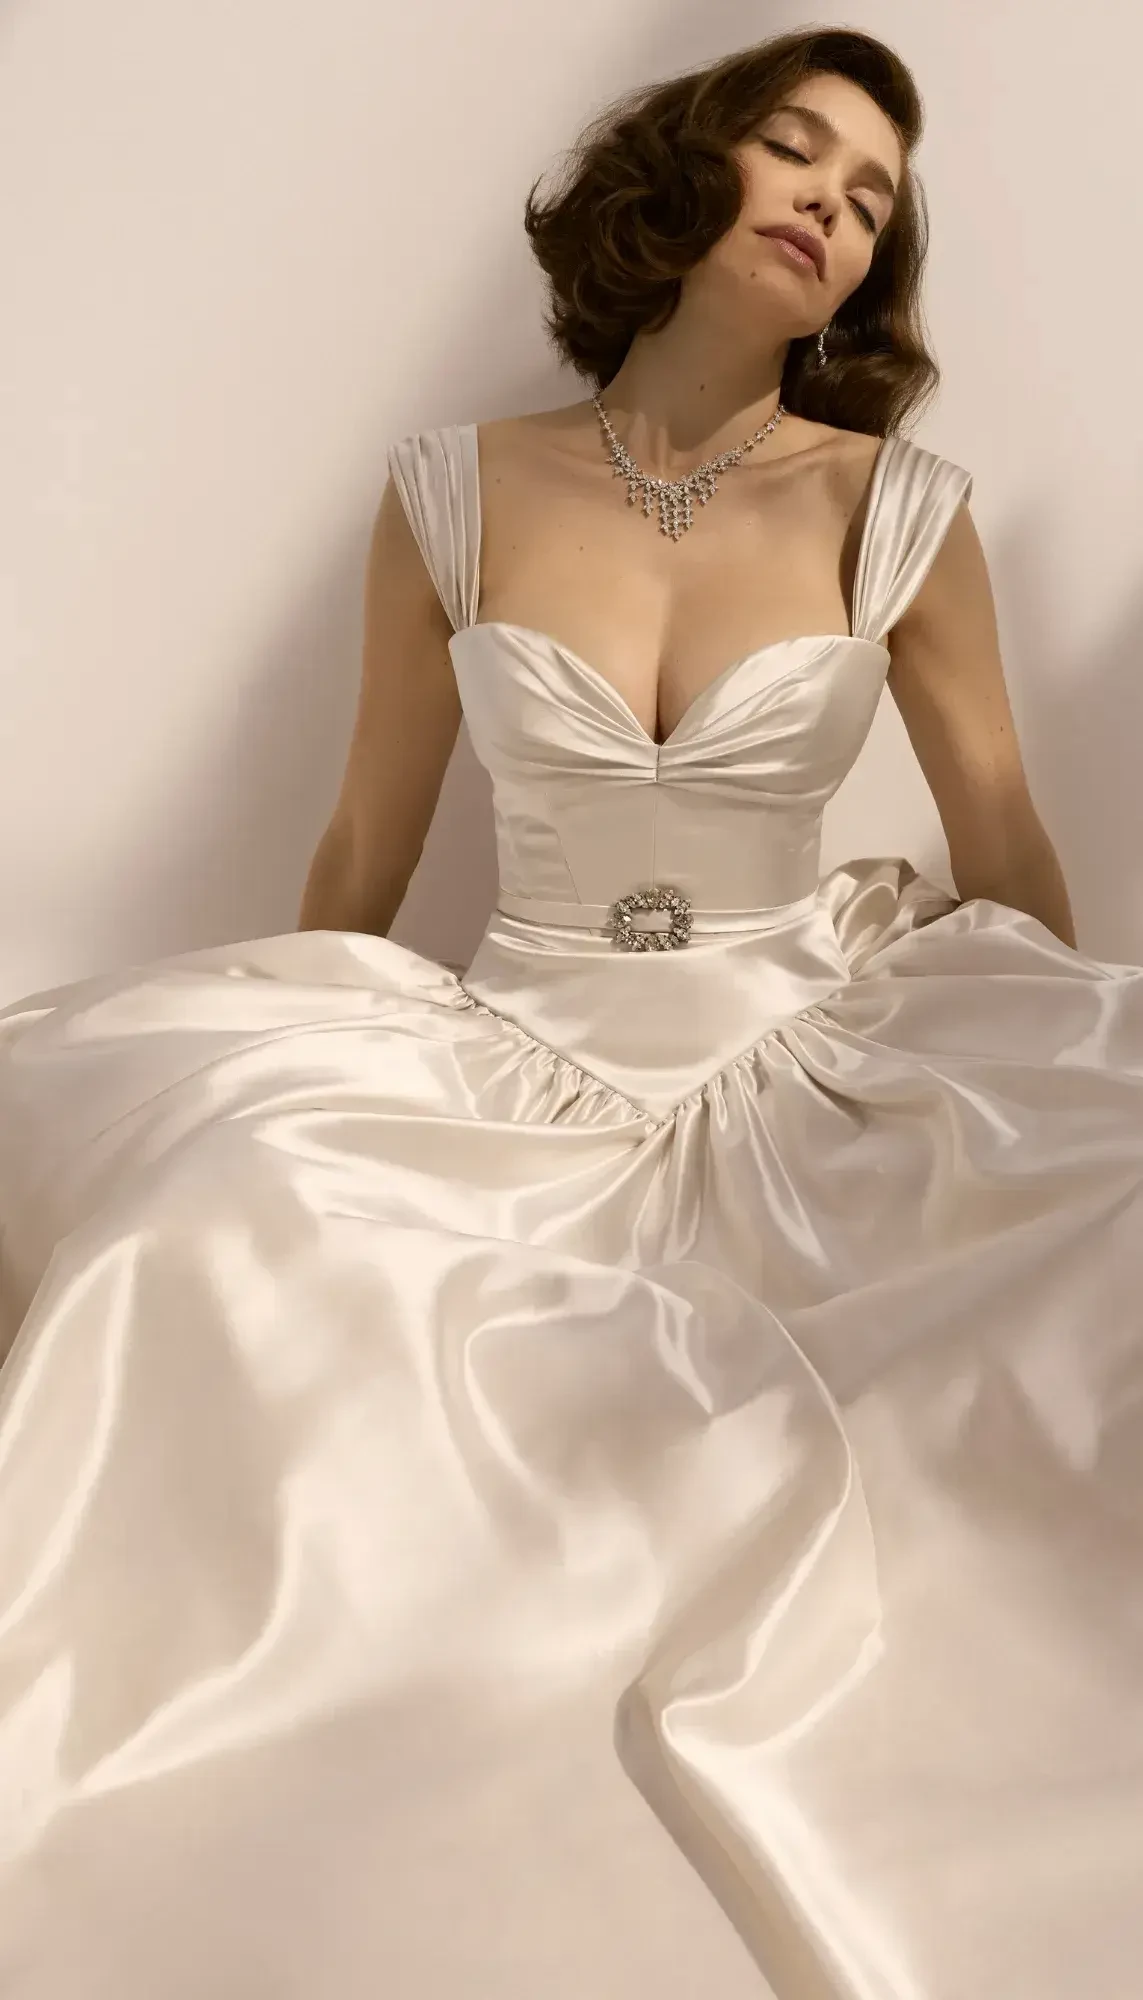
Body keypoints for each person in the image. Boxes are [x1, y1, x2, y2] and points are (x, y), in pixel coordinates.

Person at [1, 23, 1141, 2000]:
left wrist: (1048, 1064)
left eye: (869, 196)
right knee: (203, 1228)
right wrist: (290, 1043)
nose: (829, 203)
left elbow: (1010, 851)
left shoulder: (902, 511)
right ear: (683, 173)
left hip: (795, 1058)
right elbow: (367, 844)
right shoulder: (452, 494)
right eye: (794, 149)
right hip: (516, 1055)